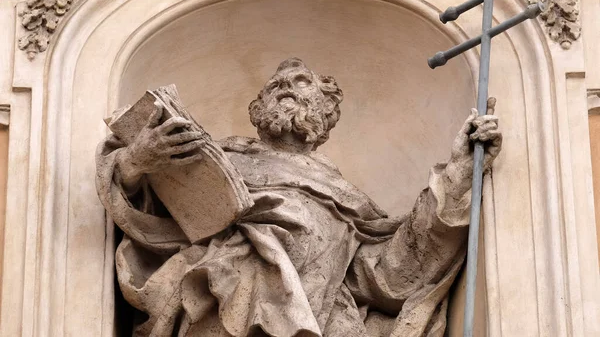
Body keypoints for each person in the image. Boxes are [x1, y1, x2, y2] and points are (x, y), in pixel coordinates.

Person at [96, 58, 502, 336]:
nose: (285, 87)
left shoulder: (345, 198)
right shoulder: (219, 156)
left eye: (300, 82)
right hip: (219, 295)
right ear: (259, 109)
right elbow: (148, 216)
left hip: (318, 316)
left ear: (325, 110)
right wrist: (137, 160)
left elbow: (391, 272)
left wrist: (457, 175)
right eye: (274, 85)